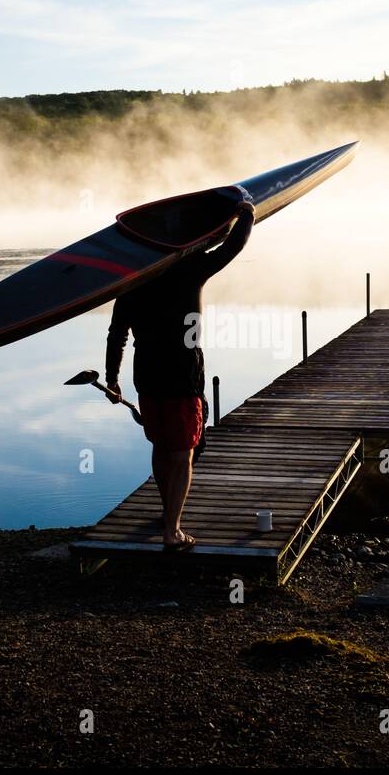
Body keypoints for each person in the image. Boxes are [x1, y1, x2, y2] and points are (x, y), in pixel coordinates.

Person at [104, 200, 255, 552]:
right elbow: (233, 245)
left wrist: (113, 378)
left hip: (148, 377)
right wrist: (246, 213)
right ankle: (172, 530)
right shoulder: (191, 267)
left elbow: (117, 334)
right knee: (184, 451)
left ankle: (167, 514)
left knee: (161, 445)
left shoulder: (132, 282)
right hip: (182, 376)